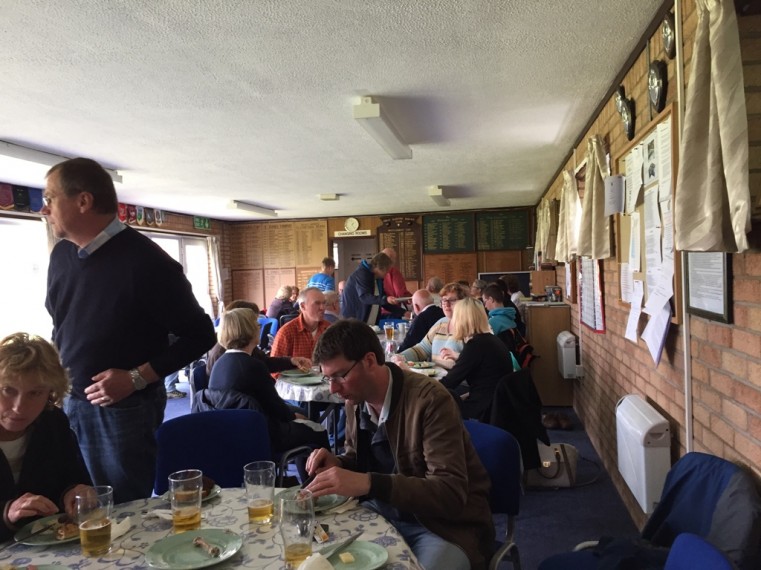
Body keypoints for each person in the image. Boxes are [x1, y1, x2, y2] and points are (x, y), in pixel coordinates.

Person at [43, 157, 216, 503]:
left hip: (122, 410)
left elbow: (201, 335)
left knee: (121, 510)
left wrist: (136, 378)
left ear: (83, 201)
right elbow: (60, 326)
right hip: (66, 402)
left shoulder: (148, 263)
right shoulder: (61, 255)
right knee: (72, 502)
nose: (43, 209)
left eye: (50, 198)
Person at [305, 319, 494, 570]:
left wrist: (369, 483)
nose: (333, 388)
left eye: (340, 375)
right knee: (317, 553)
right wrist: (338, 464)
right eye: (327, 377)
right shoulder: (355, 400)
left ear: (369, 361)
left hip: (443, 526)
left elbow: (450, 494)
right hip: (383, 512)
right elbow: (361, 460)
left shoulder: (430, 400)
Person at [197, 310, 328, 468]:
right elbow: (275, 406)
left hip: (231, 433)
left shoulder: (220, 364)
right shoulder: (253, 366)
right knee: (318, 430)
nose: (259, 327)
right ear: (249, 330)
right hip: (263, 434)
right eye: (256, 324)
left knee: (302, 418)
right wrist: (294, 416)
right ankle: (318, 480)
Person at [0, 333, 93, 541]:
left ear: (50, 393)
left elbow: (71, 478)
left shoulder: (52, 422)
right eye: (7, 390)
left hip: (46, 543)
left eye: (35, 393)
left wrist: (73, 493)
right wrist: (7, 513)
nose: (19, 407)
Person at [439, 298, 513, 421]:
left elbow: (448, 382)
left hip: (483, 411)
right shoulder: (491, 340)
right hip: (496, 406)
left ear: (461, 320)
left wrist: (419, 384)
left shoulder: (475, 346)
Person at [206, 300, 311, 377]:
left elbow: (265, 362)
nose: (259, 327)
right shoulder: (225, 356)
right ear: (242, 325)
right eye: (255, 323)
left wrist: (291, 361)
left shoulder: (240, 348)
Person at [399, 282, 468, 368]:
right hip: (434, 374)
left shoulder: (470, 326)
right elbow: (423, 349)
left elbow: (477, 359)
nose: (446, 304)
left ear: (463, 302)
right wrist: (401, 357)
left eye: (452, 300)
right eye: (444, 300)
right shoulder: (441, 323)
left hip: (457, 376)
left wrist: (458, 356)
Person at [271, 288, 331, 362]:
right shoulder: (286, 333)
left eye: (324, 303)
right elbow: (274, 366)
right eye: (317, 303)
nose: (322, 308)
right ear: (303, 306)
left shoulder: (329, 329)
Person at [341, 253, 399, 325]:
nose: (387, 273)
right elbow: (364, 297)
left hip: (370, 322)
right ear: (380, 268)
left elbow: (381, 300)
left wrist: (403, 312)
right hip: (354, 321)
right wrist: (385, 299)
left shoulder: (378, 278)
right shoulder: (362, 274)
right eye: (386, 270)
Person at [381, 248, 412, 319]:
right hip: (393, 311)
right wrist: (410, 298)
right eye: (394, 259)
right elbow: (399, 293)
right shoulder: (394, 272)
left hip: (377, 311)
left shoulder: (375, 273)